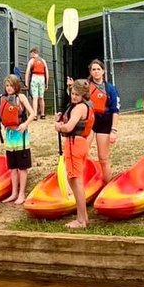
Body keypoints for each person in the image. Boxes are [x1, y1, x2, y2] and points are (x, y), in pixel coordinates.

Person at [0, 74, 35, 204]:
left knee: (22, 167)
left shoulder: (21, 97)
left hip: (21, 136)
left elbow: (32, 113)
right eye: (7, 85)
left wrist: (25, 124)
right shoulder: (1, 98)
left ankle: (22, 194)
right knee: (13, 167)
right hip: (10, 136)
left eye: (11, 85)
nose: (9, 88)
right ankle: (14, 193)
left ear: (16, 86)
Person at [67, 60, 120, 178]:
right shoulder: (85, 86)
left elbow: (115, 110)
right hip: (89, 121)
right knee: (82, 154)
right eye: (93, 69)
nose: (96, 72)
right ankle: (84, 179)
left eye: (98, 69)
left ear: (103, 71)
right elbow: (75, 96)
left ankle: (108, 184)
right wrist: (70, 87)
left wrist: (113, 130)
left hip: (104, 122)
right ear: (90, 72)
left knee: (103, 158)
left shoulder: (110, 89)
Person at [56, 79, 94, 229]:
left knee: (75, 181)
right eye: (72, 94)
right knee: (75, 181)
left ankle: (80, 220)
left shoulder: (79, 108)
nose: (74, 97)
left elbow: (68, 127)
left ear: (83, 96)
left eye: (77, 95)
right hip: (81, 143)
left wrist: (57, 126)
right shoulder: (87, 107)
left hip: (74, 144)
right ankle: (84, 217)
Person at [25, 48, 48, 119]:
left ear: (33, 53)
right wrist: (46, 83)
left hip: (35, 77)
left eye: (31, 54)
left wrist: (26, 82)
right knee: (41, 97)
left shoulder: (31, 61)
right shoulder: (43, 61)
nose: (31, 56)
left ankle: (34, 115)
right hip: (42, 78)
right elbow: (46, 72)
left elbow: (27, 71)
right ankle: (42, 114)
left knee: (35, 97)